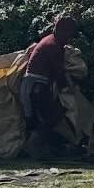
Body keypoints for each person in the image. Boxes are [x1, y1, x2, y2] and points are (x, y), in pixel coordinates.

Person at [20, 14, 78, 154]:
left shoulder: (49, 41)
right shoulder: (54, 47)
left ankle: (38, 148)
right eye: (69, 35)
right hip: (36, 87)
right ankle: (34, 148)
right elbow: (59, 73)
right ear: (63, 33)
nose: (70, 39)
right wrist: (69, 88)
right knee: (52, 118)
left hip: (32, 85)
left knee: (43, 119)